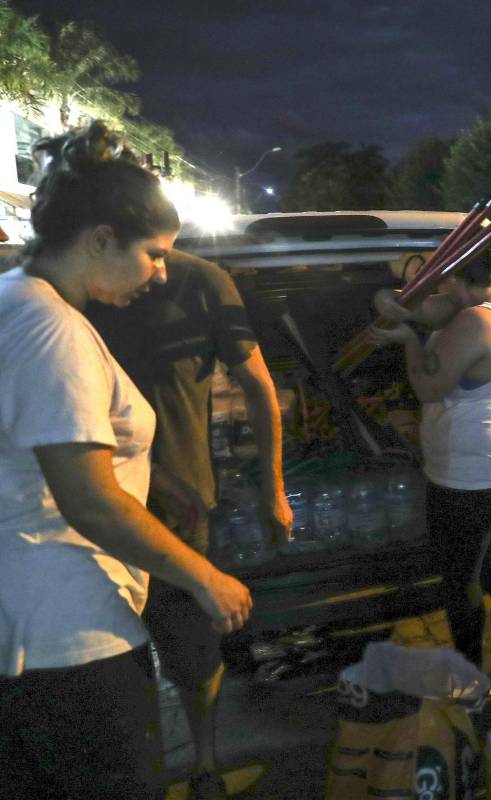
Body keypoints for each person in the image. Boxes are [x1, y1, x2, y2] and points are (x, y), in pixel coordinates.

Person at [0, 122, 252, 799]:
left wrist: (156, 477)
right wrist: (203, 576)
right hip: (71, 634)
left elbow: (40, 447)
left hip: (32, 626)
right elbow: (86, 499)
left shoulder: (20, 303)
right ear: (101, 240)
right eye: (154, 253)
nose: (163, 272)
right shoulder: (54, 329)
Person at [85, 248, 291, 799]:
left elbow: (258, 386)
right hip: (90, 518)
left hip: (181, 515)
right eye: (151, 251)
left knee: (195, 656)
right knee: (109, 664)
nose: (160, 269)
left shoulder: (201, 281)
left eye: (164, 251)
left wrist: (273, 490)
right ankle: (140, 770)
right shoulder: (62, 298)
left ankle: (204, 766)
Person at [367, 242, 491, 672]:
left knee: (459, 579)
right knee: (486, 562)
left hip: (474, 475)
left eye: (442, 277)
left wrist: (406, 341)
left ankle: (469, 681)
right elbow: (420, 309)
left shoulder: (475, 322)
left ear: (456, 279)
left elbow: (427, 388)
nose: (435, 285)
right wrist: (395, 305)